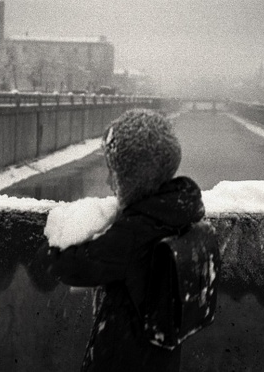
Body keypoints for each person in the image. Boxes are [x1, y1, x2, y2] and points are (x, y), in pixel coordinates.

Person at [35, 108, 208, 372]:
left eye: (113, 172)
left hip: (122, 359)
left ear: (134, 178)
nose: (107, 181)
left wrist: (57, 242)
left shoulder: (135, 233)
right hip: (159, 359)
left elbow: (72, 267)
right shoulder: (180, 214)